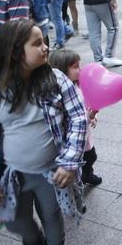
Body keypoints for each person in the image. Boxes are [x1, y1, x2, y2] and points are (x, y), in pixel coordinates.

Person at [0, 20, 87, 245]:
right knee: (15, 220)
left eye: (44, 41)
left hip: (51, 174)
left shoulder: (56, 80)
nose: (45, 48)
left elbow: (79, 117)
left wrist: (69, 162)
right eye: (37, 43)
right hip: (12, 176)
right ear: (14, 52)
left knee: (51, 216)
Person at [48, 49, 103, 186]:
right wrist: (89, 115)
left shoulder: (80, 86)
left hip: (85, 133)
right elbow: (71, 117)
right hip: (72, 138)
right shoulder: (60, 93)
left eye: (80, 64)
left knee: (91, 156)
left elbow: (87, 107)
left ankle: (87, 174)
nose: (81, 69)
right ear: (62, 70)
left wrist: (93, 114)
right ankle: (80, 181)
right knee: (80, 160)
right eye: (75, 67)